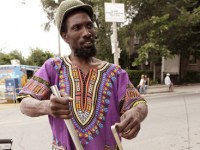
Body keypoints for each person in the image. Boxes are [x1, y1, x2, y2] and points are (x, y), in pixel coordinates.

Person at [17, 0, 148, 149]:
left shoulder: (115, 73)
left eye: (89, 25)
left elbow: (139, 103)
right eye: (77, 27)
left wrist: (136, 114)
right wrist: (46, 106)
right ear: (65, 36)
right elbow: (24, 103)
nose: (87, 33)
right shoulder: (52, 67)